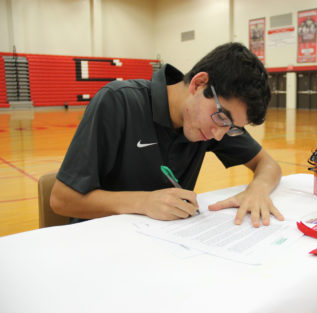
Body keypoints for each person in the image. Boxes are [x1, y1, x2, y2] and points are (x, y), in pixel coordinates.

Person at [50, 42, 284, 228]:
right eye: (222, 118)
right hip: (98, 246)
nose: (220, 135)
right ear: (199, 84)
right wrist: (143, 202)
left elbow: (268, 164)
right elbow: (61, 199)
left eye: (231, 127)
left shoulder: (213, 126)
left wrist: (257, 190)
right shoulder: (119, 102)